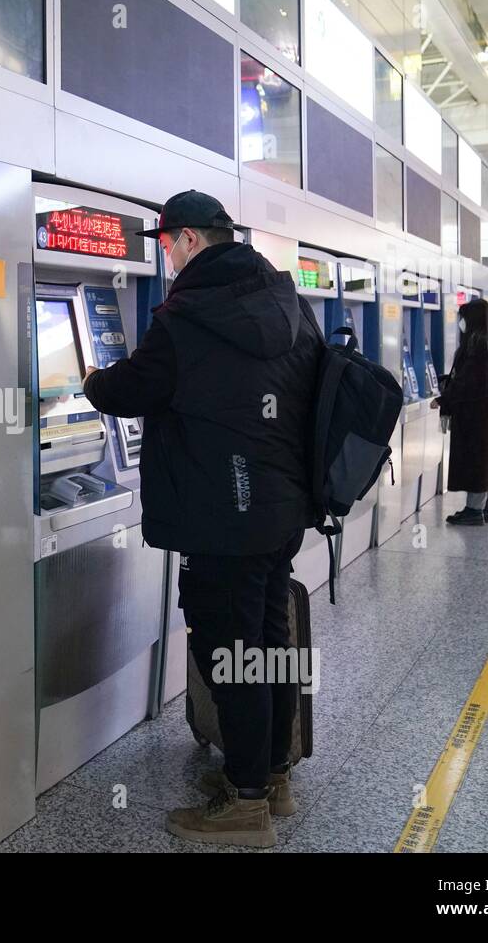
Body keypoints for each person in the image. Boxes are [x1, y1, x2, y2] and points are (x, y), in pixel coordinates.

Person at [81, 190, 323, 848]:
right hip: (280, 508)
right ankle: (272, 777)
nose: (166, 257)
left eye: (165, 244)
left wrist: (90, 380)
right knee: (267, 643)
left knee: (230, 652)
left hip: (222, 515)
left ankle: (245, 804)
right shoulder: (290, 304)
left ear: (187, 239)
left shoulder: (188, 314)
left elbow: (131, 389)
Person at [433, 298, 488, 525]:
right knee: (486, 459)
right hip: (487, 414)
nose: (461, 323)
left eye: (464, 318)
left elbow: (469, 382)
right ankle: (482, 508)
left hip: (476, 415)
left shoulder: (479, 344)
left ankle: (474, 511)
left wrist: (444, 398)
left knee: (477, 461)